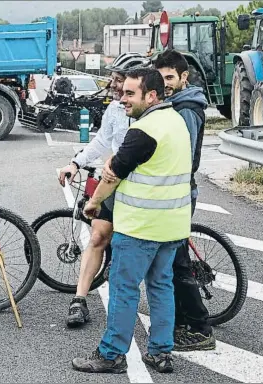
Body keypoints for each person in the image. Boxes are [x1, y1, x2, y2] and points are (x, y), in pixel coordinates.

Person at [71, 68, 192, 374]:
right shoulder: (175, 121)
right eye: (122, 92)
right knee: (161, 287)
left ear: (151, 95)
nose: (122, 99)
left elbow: (113, 173)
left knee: (124, 290)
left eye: (129, 94)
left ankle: (111, 354)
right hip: (172, 226)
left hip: (140, 226)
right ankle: (161, 352)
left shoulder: (143, 130)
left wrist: (93, 203)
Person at [57, 52, 150, 328]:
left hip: (144, 193)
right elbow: (100, 143)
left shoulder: (153, 112)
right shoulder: (114, 110)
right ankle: (79, 300)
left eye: (120, 80)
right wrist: (75, 163)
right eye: (116, 79)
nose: (114, 84)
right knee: (97, 236)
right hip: (115, 184)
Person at [153, 49, 215, 351]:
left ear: (183, 77)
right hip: (173, 193)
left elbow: (183, 157)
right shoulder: (173, 104)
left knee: (177, 263)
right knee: (171, 260)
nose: (165, 83)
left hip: (178, 194)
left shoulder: (187, 108)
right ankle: (178, 319)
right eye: (161, 77)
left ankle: (201, 329)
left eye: (170, 77)